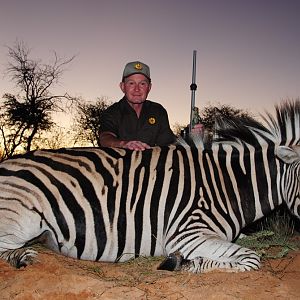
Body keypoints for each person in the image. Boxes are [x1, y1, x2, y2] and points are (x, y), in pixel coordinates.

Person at [99, 61, 175, 150]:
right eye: (131, 83)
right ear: (122, 87)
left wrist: (191, 135)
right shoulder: (112, 112)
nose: (137, 89)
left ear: (149, 87)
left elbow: (169, 143)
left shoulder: (158, 111)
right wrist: (123, 144)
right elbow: (105, 138)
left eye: (142, 84)